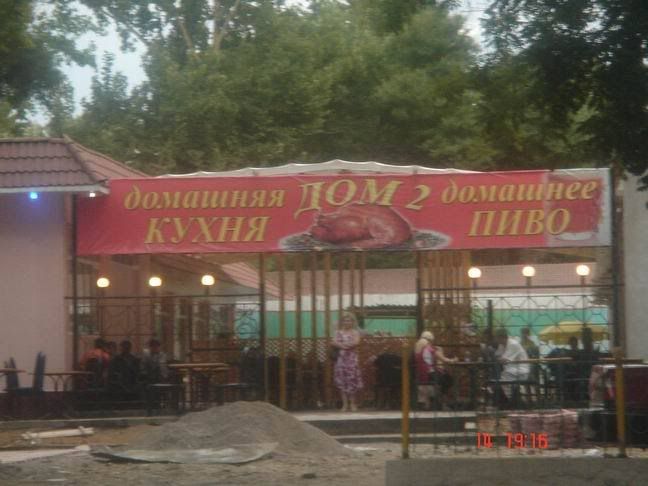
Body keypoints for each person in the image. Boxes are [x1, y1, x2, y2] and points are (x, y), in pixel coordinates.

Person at [415, 331, 458, 410]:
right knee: (449, 379)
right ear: (430, 340)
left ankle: (435, 401)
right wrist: (453, 360)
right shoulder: (429, 348)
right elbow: (444, 360)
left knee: (445, 378)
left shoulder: (417, 348)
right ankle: (441, 402)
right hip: (430, 374)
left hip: (421, 375)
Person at [332, 312, 363, 412]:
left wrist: (342, 344)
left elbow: (356, 342)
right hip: (341, 359)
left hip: (352, 359)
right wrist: (343, 345)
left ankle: (353, 403)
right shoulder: (338, 332)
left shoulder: (355, 332)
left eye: (349, 321)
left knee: (352, 381)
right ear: (342, 322)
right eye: (345, 320)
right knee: (342, 381)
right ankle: (344, 404)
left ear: (353, 322)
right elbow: (334, 342)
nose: (347, 322)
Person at [493, 328, 529, 406]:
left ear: (502, 337)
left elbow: (504, 359)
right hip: (512, 369)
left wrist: (499, 359)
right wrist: (498, 358)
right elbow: (497, 356)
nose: (496, 340)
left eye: (497, 337)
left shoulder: (513, 344)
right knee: (502, 378)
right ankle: (512, 399)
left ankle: (511, 399)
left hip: (521, 369)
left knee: (505, 377)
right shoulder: (502, 345)